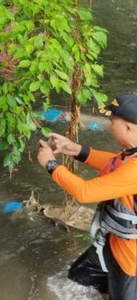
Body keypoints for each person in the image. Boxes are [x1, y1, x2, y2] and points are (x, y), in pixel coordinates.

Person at [37, 93, 137, 299]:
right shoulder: (131, 155)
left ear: (129, 128)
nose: (110, 126)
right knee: (79, 276)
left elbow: (85, 192)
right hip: (113, 243)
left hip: (130, 258)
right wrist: (76, 150)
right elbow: (114, 163)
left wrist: (51, 164)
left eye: (112, 122)